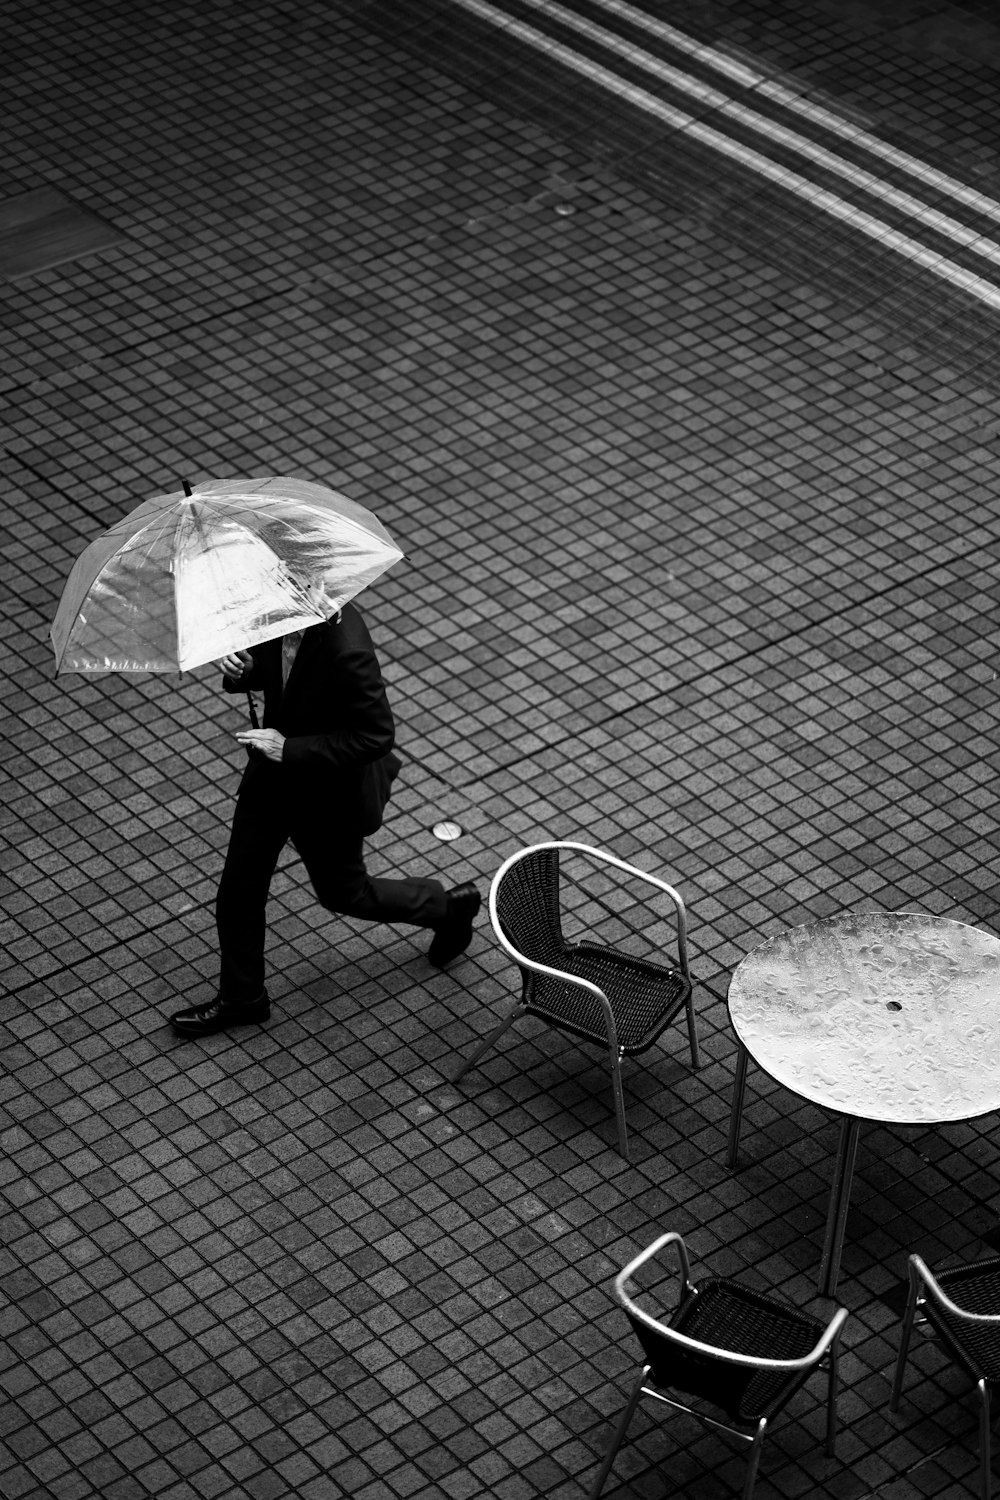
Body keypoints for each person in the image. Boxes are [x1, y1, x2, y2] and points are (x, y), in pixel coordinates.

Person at [169, 601, 480, 1036]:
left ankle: (447, 908)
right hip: (273, 781)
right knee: (239, 889)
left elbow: (375, 735)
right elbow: (279, 677)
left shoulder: (345, 646)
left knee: (345, 894)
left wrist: (289, 749)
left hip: (326, 792)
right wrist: (242, 671)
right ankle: (243, 999)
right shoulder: (278, 613)